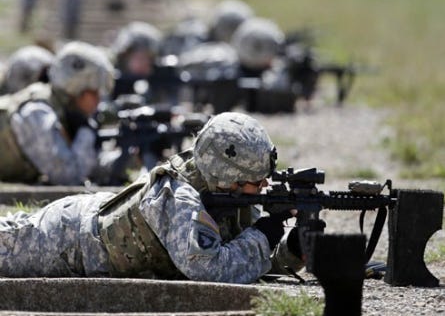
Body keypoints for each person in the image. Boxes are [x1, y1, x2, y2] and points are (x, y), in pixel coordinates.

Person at [0, 112, 303, 283]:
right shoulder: (177, 198)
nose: (263, 186)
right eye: (254, 180)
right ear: (227, 177)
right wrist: (264, 235)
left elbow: (245, 264)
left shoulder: (227, 191)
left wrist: (291, 249)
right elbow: (212, 271)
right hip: (65, 240)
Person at [0, 40, 114, 185]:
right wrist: (86, 132)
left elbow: (92, 167)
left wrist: (126, 156)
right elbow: (68, 177)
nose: (98, 99)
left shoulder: (66, 114)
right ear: (75, 90)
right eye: (93, 92)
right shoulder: (36, 114)